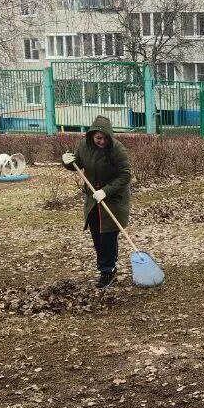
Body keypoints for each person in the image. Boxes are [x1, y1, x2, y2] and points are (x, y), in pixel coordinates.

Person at [61, 116, 132, 288]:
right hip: (93, 200)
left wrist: (105, 191)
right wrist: (67, 162)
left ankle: (108, 270)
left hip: (114, 200)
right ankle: (103, 267)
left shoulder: (117, 150)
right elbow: (76, 163)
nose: (102, 141)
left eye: (105, 138)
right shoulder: (84, 146)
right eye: (99, 138)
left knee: (108, 235)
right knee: (97, 236)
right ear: (92, 135)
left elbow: (126, 175)